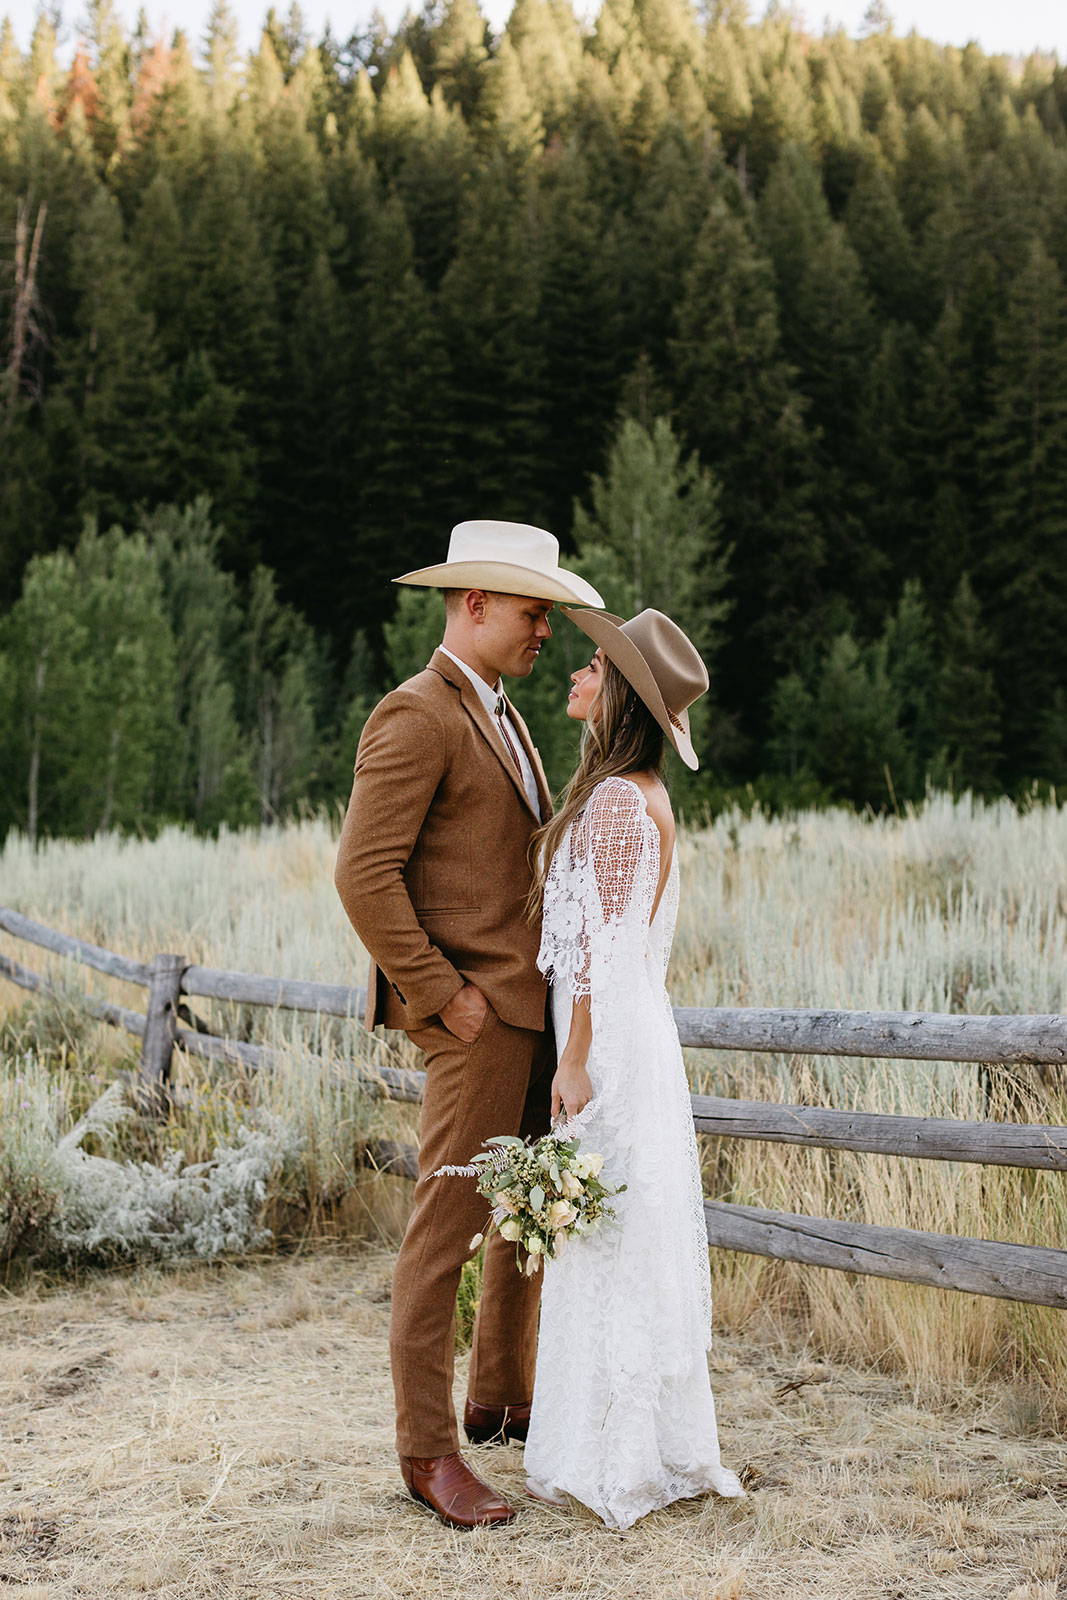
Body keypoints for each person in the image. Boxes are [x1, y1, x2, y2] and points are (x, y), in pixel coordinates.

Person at [333, 520, 604, 1531]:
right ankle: (425, 1450)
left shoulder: (504, 715)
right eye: (534, 611)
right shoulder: (415, 714)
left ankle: (500, 1396)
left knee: (523, 1218)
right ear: (474, 604)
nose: (544, 630)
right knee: (442, 1233)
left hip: (525, 1015)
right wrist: (444, 995)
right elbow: (362, 875)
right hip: (474, 1018)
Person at [522, 606, 746, 1530]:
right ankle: (632, 1444)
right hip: (637, 1036)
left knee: (609, 1235)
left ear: (616, 694)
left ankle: (616, 1458)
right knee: (623, 1232)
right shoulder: (643, 792)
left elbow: (600, 953)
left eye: (589, 668)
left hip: (612, 1040)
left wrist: (574, 1061)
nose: (575, 676)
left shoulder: (617, 801)